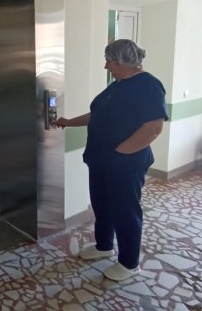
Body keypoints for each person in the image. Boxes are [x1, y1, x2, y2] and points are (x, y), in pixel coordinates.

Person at [57, 39, 168, 282]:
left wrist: (120, 153)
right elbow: (97, 114)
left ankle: (129, 263)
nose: (105, 66)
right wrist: (69, 122)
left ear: (122, 62)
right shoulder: (117, 85)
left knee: (125, 211)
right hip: (101, 160)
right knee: (102, 205)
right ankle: (104, 246)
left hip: (125, 164)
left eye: (109, 61)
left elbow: (153, 128)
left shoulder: (148, 85)